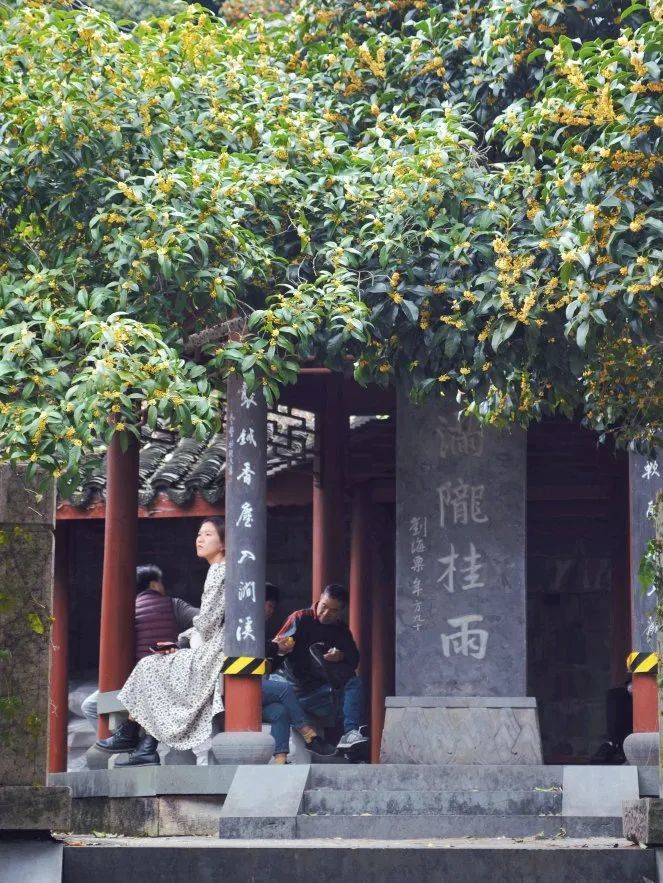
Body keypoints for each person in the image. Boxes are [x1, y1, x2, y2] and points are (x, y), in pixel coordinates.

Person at [95, 518, 227, 767]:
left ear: (223, 544)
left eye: (208, 535)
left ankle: (133, 735)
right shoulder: (219, 570)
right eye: (199, 534)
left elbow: (208, 623)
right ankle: (141, 743)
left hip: (212, 650)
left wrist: (184, 638)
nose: (200, 539)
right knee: (153, 665)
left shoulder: (219, 571)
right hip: (213, 646)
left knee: (150, 665)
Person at [81, 565, 198, 728]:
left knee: (90, 707)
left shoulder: (124, 611)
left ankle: (123, 745)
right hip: (171, 684)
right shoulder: (174, 605)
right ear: (155, 584)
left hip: (135, 686)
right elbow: (204, 621)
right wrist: (182, 643)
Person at [270, 583, 369, 754]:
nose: (325, 614)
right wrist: (282, 648)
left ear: (341, 612)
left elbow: (354, 660)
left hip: (316, 693)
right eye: (324, 606)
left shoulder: (340, 629)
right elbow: (274, 650)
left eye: (333, 610)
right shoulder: (300, 618)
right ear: (320, 598)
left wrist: (341, 656)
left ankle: (350, 733)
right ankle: (320, 742)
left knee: (353, 684)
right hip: (289, 687)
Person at [261, 583, 335, 763]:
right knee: (284, 689)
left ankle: (280, 761)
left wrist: (278, 650)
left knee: (279, 712)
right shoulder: (243, 624)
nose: (271, 611)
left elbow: (265, 662)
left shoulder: (258, 627)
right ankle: (309, 735)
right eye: (268, 605)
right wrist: (274, 647)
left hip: (257, 687)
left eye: (273, 606)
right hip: (236, 688)